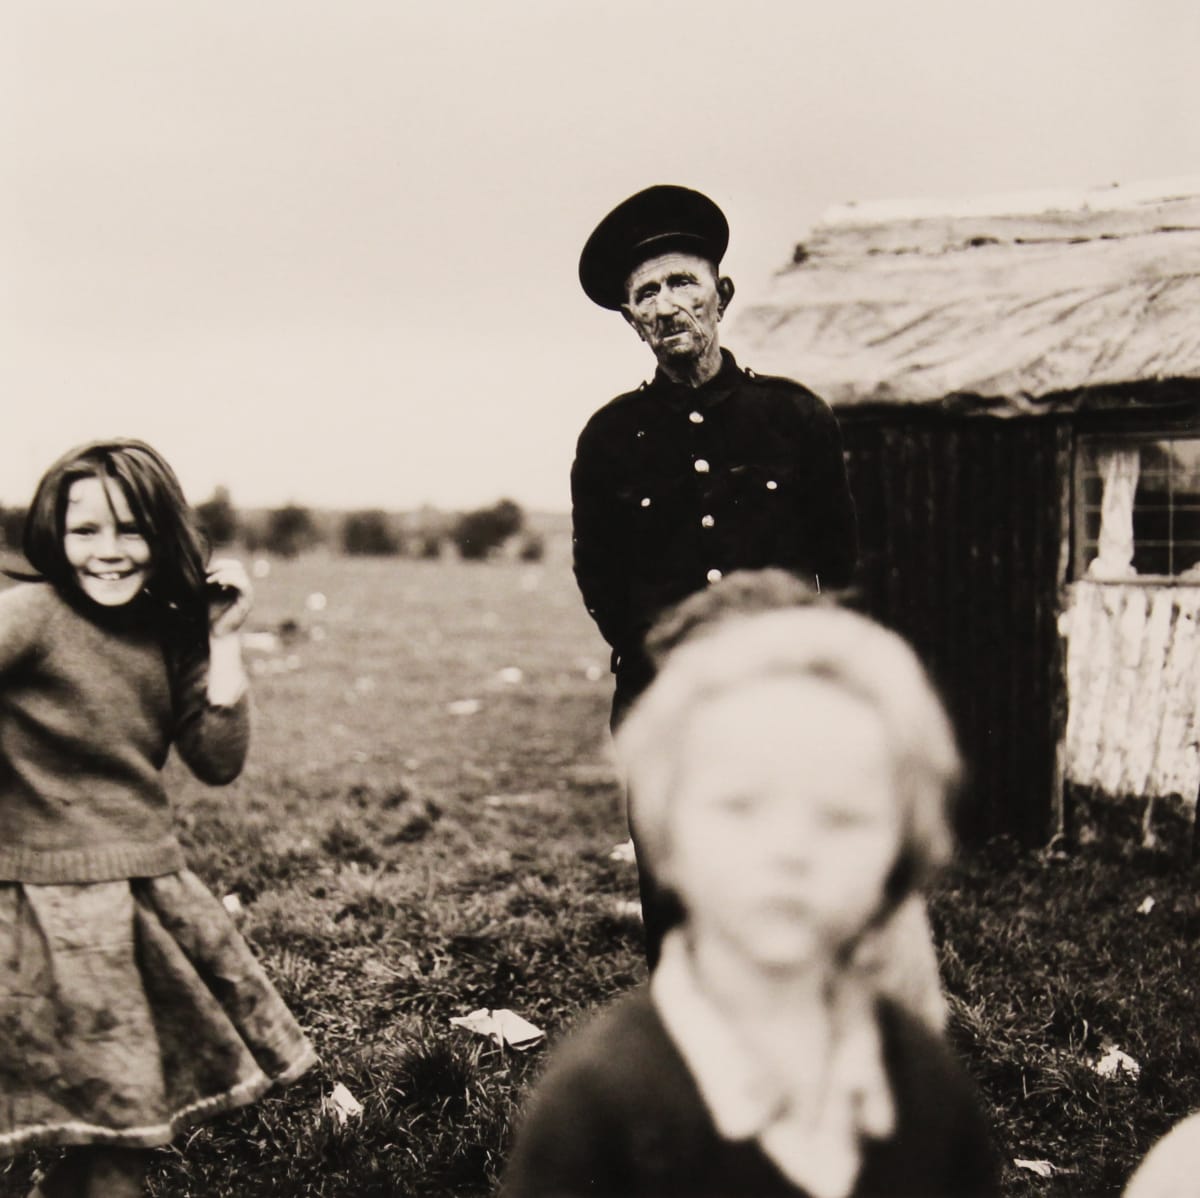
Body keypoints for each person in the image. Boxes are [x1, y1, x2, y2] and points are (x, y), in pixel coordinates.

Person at [502, 604, 997, 1198]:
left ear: (901, 854)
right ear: (666, 831)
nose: (790, 850)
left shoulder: (925, 1085)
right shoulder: (597, 1109)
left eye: (841, 817)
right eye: (740, 806)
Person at [0, 439, 316, 1198]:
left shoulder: (172, 627)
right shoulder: (29, 615)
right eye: (85, 531)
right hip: (21, 900)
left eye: (130, 529)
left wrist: (224, 639)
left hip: (138, 896)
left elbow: (216, 759)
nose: (107, 552)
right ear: (53, 533)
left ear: (163, 533)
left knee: (120, 1137)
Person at [572, 184, 858, 964]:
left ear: (722, 294)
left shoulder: (796, 417)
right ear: (631, 320)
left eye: (681, 282)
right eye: (645, 295)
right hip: (662, 703)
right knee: (675, 887)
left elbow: (843, 562)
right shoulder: (609, 439)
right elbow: (599, 577)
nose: (666, 306)